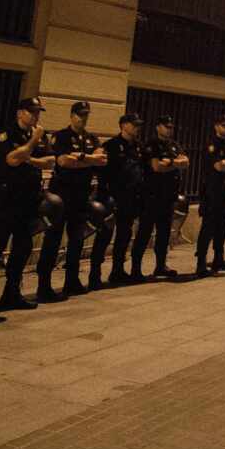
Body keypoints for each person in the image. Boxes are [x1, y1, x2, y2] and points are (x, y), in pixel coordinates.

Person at [0, 97, 55, 324]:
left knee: (23, 248)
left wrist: (28, 156)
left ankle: (11, 294)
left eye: (38, 112)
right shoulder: (6, 133)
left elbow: (50, 161)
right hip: (6, 201)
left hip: (28, 201)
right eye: (31, 112)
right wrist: (33, 143)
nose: (36, 116)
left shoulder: (37, 135)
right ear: (20, 113)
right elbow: (11, 160)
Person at [35, 101, 106, 302]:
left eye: (86, 115)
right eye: (80, 114)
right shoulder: (61, 136)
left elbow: (102, 160)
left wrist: (81, 158)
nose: (83, 118)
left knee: (77, 240)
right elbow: (63, 161)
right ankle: (44, 285)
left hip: (81, 196)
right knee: (53, 240)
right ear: (72, 115)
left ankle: (72, 281)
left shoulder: (91, 138)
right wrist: (89, 159)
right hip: (62, 195)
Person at [132, 115, 188, 280]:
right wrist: (175, 163)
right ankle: (136, 269)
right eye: (166, 126)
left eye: (170, 127)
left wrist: (169, 163)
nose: (169, 129)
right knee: (144, 233)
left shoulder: (174, 145)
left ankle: (160, 266)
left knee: (164, 234)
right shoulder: (151, 145)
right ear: (158, 127)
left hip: (168, 197)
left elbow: (186, 161)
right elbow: (157, 167)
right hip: (151, 196)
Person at [101, 113, 145, 286]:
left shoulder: (138, 146)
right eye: (133, 125)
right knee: (105, 236)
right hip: (115, 197)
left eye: (138, 125)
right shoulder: (111, 145)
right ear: (123, 125)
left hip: (132, 198)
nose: (137, 128)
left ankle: (117, 270)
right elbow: (104, 172)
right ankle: (95, 275)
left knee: (124, 235)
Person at [195, 115, 225, 277]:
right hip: (211, 191)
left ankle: (219, 259)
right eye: (224, 125)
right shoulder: (211, 145)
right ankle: (201, 263)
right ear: (216, 126)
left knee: (222, 227)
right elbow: (219, 166)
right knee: (208, 228)